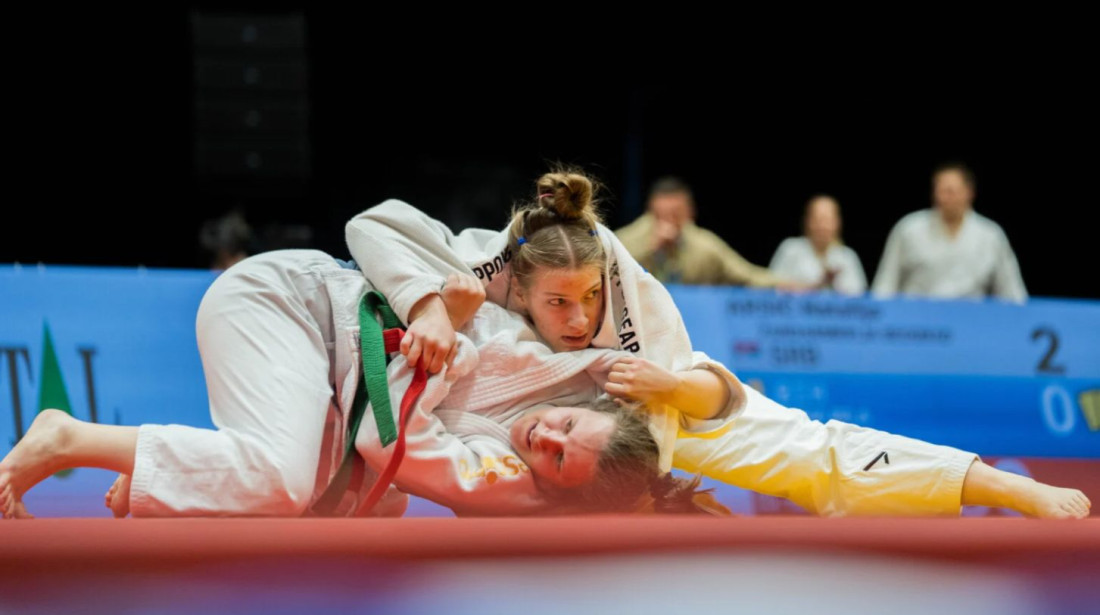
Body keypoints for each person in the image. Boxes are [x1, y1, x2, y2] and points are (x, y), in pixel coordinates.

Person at [344, 167, 1090, 519]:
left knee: (818, 455)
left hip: (651, 409)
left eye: (586, 300)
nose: (574, 317)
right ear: (523, 281)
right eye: (556, 303)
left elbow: (713, 394)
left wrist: (665, 392)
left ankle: (1003, 485)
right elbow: (379, 237)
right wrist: (431, 305)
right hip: (542, 424)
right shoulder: (494, 262)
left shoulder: (627, 295)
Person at [0, 250, 710, 520]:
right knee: (281, 482)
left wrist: (449, 339)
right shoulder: (545, 349)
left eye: (557, 459)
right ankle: (67, 436)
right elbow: (378, 224)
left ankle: (172, 483)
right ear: (585, 406)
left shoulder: (507, 477)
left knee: (360, 503)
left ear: (552, 488)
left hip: (326, 361)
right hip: (292, 299)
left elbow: (380, 435)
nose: (545, 437)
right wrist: (439, 308)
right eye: (568, 428)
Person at [872, 163, 1027, 302]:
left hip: (971, 319)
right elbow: (885, 284)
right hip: (917, 321)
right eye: (942, 191)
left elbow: (1011, 292)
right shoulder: (909, 228)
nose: (948, 198)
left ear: (969, 192)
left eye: (953, 191)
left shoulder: (991, 234)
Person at [615, 177, 784, 287]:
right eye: (661, 216)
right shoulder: (624, 241)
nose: (669, 224)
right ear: (650, 211)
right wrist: (651, 249)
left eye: (676, 216)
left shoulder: (705, 246)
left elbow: (746, 275)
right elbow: (609, 275)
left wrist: (782, 284)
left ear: (690, 213)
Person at [769, 195, 867, 295]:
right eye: (817, 219)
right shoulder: (790, 249)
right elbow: (773, 287)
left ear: (838, 223)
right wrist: (816, 285)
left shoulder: (847, 257)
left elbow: (858, 296)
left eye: (827, 220)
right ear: (807, 221)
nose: (822, 226)